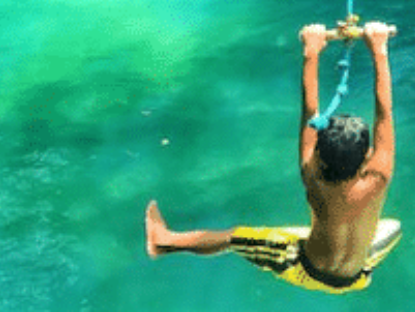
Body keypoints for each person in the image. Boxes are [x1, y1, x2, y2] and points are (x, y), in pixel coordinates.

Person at [144, 21, 399, 294]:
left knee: (235, 237)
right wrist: (379, 48)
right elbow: (384, 111)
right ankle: (339, 243)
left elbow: (309, 112)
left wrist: (311, 52)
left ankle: (163, 242)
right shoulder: (379, 177)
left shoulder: (312, 176)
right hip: (358, 277)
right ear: (365, 159)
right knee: (393, 226)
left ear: (320, 157)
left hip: (305, 269)